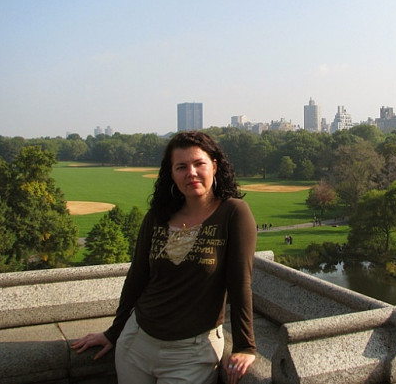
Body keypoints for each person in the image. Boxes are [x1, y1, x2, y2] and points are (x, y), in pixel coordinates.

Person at [72, 131, 257, 384]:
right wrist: (114, 333)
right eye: (181, 167)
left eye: (198, 164)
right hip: (136, 342)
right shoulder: (157, 217)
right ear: (171, 174)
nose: (190, 173)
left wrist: (245, 346)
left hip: (191, 353)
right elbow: (137, 278)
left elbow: (240, 284)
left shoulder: (234, 213)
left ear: (214, 166)